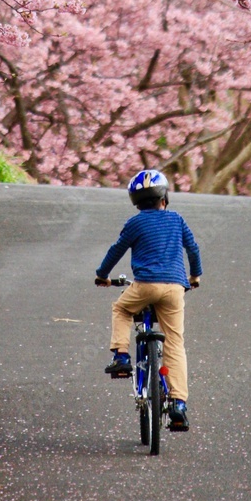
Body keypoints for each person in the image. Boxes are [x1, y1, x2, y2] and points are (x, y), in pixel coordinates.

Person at [95, 169, 202, 431]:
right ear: (164, 198)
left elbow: (116, 250)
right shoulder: (176, 220)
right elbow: (193, 248)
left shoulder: (135, 223)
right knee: (175, 342)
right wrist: (195, 276)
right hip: (175, 287)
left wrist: (102, 275)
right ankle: (178, 404)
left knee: (121, 308)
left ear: (136, 202)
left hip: (144, 286)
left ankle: (121, 356)